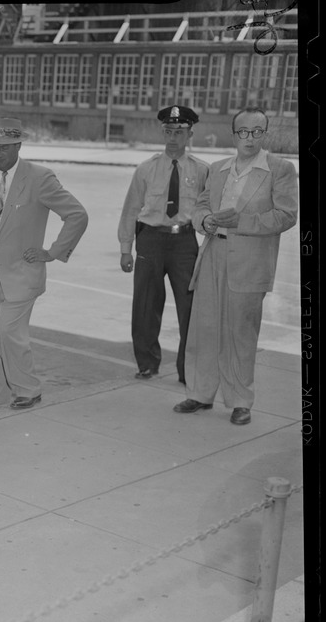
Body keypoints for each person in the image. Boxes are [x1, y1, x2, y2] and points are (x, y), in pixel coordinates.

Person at [174, 106, 298, 425]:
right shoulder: (217, 168)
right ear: (233, 135)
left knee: (241, 334)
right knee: (204, 330)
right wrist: (206, 221)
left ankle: (241, 401)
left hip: (250, 262)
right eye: (243, 131)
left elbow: (286, 215)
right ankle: (200, 394)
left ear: (265, 134)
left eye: (257, 131)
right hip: (213, 254)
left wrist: (241, 221)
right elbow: (200, 206)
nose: (250, 138)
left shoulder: (279, 168)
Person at [0, 117, 89, 409]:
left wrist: (53, 251)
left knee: (9, 331)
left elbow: (77, 215)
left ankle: (28, 389)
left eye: (4, 148)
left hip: (22, 274)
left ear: (18, 145)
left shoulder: (39, 177)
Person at [118, 105, 209, 384]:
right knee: (145, 306)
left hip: (184, 242)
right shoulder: (146, 169)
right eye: (168, 131)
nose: (173, 137)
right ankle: (147, 363)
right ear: (162, 133)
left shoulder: (202, 170)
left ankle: (187, 369)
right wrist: (126, 248)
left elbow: (208, 211)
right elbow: (131, 209)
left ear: (189, 134)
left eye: (179, 132)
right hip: (151, 240)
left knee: (190, 307)